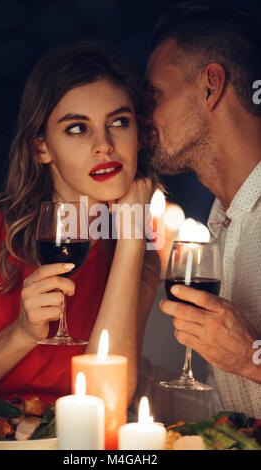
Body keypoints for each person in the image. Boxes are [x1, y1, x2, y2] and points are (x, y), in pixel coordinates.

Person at [0, 41, 161, 411]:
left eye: (118, 122)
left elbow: (108, 403)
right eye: (76, 129)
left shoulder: (137, 256)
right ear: (41, 148)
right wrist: (21, 334)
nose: (104, 145)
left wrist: (133, 241)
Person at [146, 0, 261, 417]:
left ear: (211, 85)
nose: (143, 117)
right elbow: (228, 404)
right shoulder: (219, 226)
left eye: (154, 94)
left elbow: (248, 364)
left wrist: (251, 358)